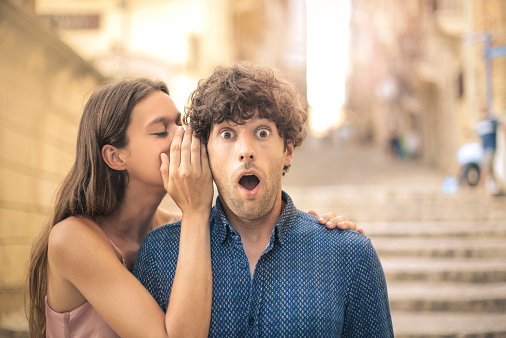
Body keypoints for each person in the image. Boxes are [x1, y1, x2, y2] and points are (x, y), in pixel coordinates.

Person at [27, 78, 361, 337]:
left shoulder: (175, 232)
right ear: (116, 157)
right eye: (161, 131)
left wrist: (318, 232)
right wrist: (197, 211)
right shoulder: (71, 239)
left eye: (180, 123)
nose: (185, 136)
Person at [134, 63, 394, 337]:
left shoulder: (350, 254)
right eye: (227, 134)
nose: (246, 151)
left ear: (288, 150)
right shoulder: (158, 254)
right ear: (205, 152)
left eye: (262, 133)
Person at [476, 105, 500, 194]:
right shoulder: (480, 122)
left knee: (486, 167)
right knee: (490, 169)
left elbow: (501, 126)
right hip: (485, 148)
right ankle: (496, 187)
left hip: (491, 147)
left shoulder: (492, 120)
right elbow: (480, 136)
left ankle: (480, 185)